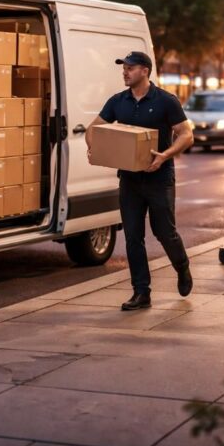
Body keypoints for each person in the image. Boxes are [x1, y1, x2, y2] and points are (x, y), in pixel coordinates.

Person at [86, 51, 195, 310]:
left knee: (164, 232)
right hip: (130, 180)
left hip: (159, 178)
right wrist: (95, 148)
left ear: (145, 70)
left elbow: (186, 135)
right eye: (124, 68)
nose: (125, 72)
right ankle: (141, 292)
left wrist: (165, 155)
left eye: (130, 68)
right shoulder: (118, 101)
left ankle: (182, 267)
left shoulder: (166, 101)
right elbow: (94, 129)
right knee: (133, 236)